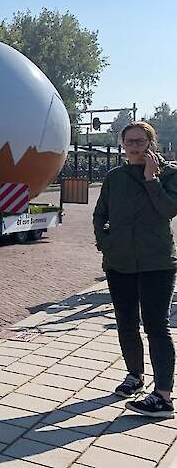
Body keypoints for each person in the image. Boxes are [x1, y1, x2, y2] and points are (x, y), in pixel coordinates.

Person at [94, 121, 177, 419]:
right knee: (126, 323)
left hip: (157, 263)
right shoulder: (114, 177)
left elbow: (169, 210)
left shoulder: (169, 173)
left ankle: (163, 396)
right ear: (122, 144)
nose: (134, 146)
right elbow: (100, 213)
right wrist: (106, 243)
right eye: (129, 141)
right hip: (120, 263)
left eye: (140, 141)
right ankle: (134, 376)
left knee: (156, 326)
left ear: (150, 143)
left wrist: (151, 179)